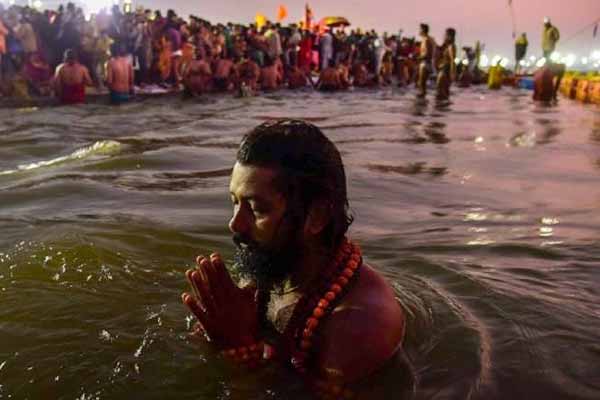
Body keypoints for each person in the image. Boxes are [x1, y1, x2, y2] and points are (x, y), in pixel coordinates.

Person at [182, 120, 406, 398]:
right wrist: (215, 333)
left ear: (317, 217)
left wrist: (238, 348)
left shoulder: (358, 325)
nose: (234, 224)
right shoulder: (271, 267)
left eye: (257, 209)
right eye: (234, 202)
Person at [436, 28, 456, 101]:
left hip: (445, 70)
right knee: (442, 90)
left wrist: (452, 73)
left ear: (449, 36)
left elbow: (452, 60)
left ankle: (441, 108)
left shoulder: (451, 46)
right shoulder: (447, 46)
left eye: (445, 35)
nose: (444, 36)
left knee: (441, 90)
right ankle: (443, 108)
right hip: (444, 70)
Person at [416, 23, 435, 98]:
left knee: (422, 83)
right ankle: (422, 102)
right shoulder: (426, 39)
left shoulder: (427, 40)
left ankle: (422, 104)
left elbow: (428, 54)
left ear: (423, 30)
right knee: (421, 83)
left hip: (425, 64)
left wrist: (418, 58)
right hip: (425, 63)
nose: (419, 31)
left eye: (420, 29)